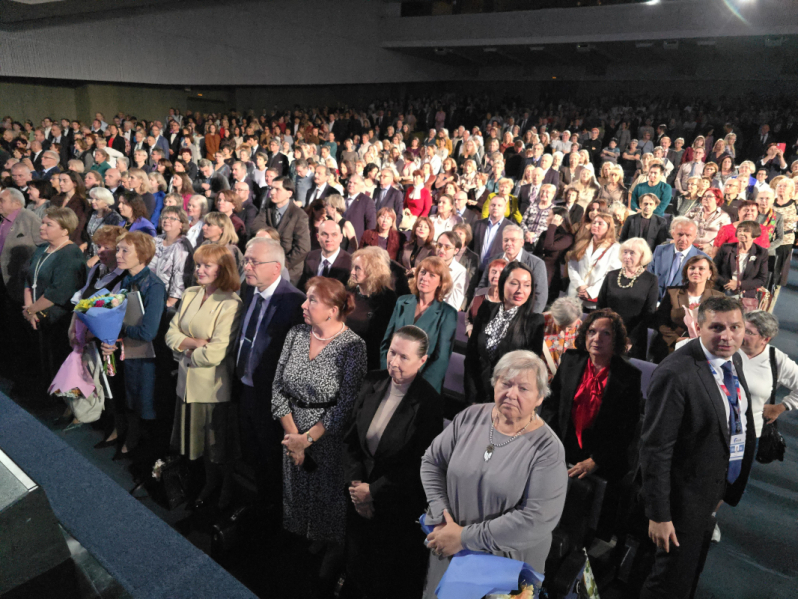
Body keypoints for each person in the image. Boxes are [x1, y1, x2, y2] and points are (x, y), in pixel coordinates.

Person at [421, 350, 568, 596]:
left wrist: (465, 537)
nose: (511, 393)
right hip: (449, 547)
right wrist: (440, 512)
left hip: (502, 569)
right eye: (505, 383)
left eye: (523, 388)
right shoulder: (471, 416)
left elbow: (536, 519)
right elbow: (432, 462)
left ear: (540, 397)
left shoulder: (548, 450)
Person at [639, 297, 756, 599]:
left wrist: (723, 490)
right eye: (716, 327)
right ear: (698, 327)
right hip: (680, 502)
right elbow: (656, 449)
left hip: (710, 491)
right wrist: (660, 515)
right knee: (667, 582)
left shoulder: (733, 358)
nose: (727, 336)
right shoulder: (676, 374)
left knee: (690, 572)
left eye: (735, 327)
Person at [271, 277, 367, 597]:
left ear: (332, 311)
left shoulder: (353, 347)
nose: (303, 304)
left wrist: (306, 441)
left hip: (326, 439)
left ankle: (325, 550)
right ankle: (302, 544)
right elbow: (278, 389)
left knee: (326, 501)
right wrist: (292, 436)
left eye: (312, 300)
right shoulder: (296, 335)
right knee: (297, 495)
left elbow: (345, 407)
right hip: (291, 431)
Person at [343, 326, 443, 599]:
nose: (394, 362)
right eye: (392, 352)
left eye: (404, 357)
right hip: (357, 496)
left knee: (381, 579)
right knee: (354, 566)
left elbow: (418, 466)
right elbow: (351, 440)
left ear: (422, 361)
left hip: (394, 507)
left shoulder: (428, 404)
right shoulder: (371, 382)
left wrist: (372, 492)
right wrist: (357, 486)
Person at [541, 309, 641, 517]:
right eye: (592, 332)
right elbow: (552, 406)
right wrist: (550, 444)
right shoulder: (570, 359)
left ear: (616, 340)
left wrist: (596, 460)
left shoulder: (628, 376)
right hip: (562, 444)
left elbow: (625, 430)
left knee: (579, 506)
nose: (597, 338)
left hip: (601, 455)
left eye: (606, 333)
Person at [165, 243, 243, 511]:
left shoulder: (231, 303)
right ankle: (205, 483)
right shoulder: (189, 293)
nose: (199, 269)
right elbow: (170, 334)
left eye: (206, 265)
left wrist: (186, 352)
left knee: (215, 447)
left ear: (223, 269)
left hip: (212, 388)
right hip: (186, 383)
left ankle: (223, 490)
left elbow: (216, 353)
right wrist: (195, 342)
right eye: (198, 264)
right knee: (194, 444)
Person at [236, 237, 305, 528]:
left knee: (271, 459)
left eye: (254, 261)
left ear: (276, 268)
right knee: (251, 453)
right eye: (246, 260)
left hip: (273, 399)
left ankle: (275, 517)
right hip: (245, 388)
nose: (246, 266)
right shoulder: (250, 289)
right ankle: (260, 504)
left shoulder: (294, 301)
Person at [100, 232, 165, 468]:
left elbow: (148, 333)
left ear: (143, 254)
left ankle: (139, 447)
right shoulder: (126, 279)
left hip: (144, 355)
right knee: (125, 398)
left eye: (124, 250)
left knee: (141, 402)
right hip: (127, 350)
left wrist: (118, 328)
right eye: (118, 249)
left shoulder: (154, 286)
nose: (118, 255)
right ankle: (127, 436)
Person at [465, 261, 545, 403]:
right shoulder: (486, 309)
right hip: (476, 396)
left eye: (527, 285)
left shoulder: (534, 323)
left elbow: (527, 373)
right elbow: (471, 357)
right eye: (514, 283)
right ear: (502, 284)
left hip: (507, 400)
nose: (520, 290)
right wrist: (472, 397)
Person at [23, 206, 87, 383]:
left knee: (56, 361)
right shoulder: (42, 249)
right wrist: (29, 308)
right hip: (37, 316)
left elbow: (58, 292)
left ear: (65, 230)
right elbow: (29, 277)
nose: (42, 227)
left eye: (48, 224)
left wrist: (31, 310)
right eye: (43, 223)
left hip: (58, 319)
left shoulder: (70, 255)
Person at [380, 256, 457, 393]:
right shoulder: (402, 302)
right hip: (391, 378)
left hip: (421, 387)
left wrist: (416, 389)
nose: (425, 278)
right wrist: (388, 374)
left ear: (441, 282)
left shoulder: (448, 314)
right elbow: (386, 343)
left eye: (432, 275)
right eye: (422, 272)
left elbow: (441, 359)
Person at [650, 255, 724, 363]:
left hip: (705, 350)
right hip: (672, 349)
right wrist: (676, 339)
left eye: (701, 268)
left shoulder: (718, 297)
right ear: (686, 272)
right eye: (692, 268)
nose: (696, 271)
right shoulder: (672, 293)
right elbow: (660, 322)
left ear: (710, 273)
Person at [596, 237, 658, 359]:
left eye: (632, 253)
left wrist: (630, 339)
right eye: (625, 252)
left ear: (642, 256)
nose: (627, 256)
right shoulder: (612, 275)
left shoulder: (650, 280)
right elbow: (600, 306)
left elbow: (649, 313)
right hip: (608, 333)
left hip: (634, 339)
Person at [741, 311, 798, 439]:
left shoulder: (776, 360)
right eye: (740, 328)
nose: (741, 335)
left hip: (746, 434)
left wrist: (782, 407)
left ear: (765, 339)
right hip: (709, 426)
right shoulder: (728, 347)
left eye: (749, 332)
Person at [345, 246, 398, 371]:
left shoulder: (388, 299)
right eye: (353, 267)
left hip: (369, 361)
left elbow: (383, 339)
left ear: (372, 271)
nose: (352, 272)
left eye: (357, 268)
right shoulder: (347, 292)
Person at [476, 224, 548, 313]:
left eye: (513, 240)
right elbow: (482, 287)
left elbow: (540, 296)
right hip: (490, 313)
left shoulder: (536, 264)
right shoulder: (493, 260)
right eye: (506, 240)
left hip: (520, 316)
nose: (509, 243)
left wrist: (529, 320)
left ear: (522, 242)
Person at [252, 176, 310, 285]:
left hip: (289, 270)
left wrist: (281, 265)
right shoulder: (268, 207)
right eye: (271, 188)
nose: (272, 192)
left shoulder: (299, 215)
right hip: (266, 265)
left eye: (277, 189)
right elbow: (255, 226)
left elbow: (303, 248)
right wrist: (270, 235)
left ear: (289, 193)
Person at [567, 211, 621, 309]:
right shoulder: (583, 243)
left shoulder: (615, 248)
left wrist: (590, 291)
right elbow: (572, 265)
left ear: (609, 228)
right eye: (594, 222)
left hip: (594, 299)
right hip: (575, 293)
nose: (595, 225)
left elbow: (611, 275)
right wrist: (580, 285)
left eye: (600, 223)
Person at [0, 188, 42, 306]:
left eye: (2, 200)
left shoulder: (29, 219)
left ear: (16, 203)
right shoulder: (2, 219)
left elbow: (44, 246)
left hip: (20, 283)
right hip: (4, 281)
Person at [713, 220, 768, 302]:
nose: (741, 233)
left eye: (746, 231)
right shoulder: (726, 248)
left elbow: (761, 279)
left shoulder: (761, 252)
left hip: (745, 293)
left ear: (754, 235)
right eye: (739, 231)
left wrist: (739, 285)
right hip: (722, 289)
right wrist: (728, 283)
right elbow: (712, 270)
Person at [149, 206, 193, 308]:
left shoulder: (182, 246)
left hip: (165, 299)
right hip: (149, 293)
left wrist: (169, 302)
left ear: (182, 224)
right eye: (164, 217)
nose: (166, 220)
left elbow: (179, 277)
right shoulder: (156, 240)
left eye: (172, 218)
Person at [532, 206, 575, 304]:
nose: (546, 219)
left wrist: (553, 226)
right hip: (536, 271)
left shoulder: (567, 237)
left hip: (550, 277)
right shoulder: (545, 233)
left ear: (558, 219)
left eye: (549, 216)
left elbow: (549, 246)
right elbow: (536, 253)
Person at [298, 219, 352, 290]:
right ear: (317, 237)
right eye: (324, 234)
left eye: (334, 235)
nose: (329, 239)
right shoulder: (310, 257)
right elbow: (302, 287)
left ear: (341, 238)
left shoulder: (350, 263)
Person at [540, 296, 583, 377]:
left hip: (566, 377)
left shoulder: (581, 327)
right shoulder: (541, 321)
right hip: (542, 375)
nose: (564, 330)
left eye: (569, 327)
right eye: (560, 326)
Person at [465, 258, 506, 337]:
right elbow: (468, 317)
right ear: (488, 274)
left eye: (501, 273)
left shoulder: (508, 300)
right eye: (493, 272)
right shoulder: (480, 293)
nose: (496, 275)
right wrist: (470, 332)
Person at [201, 211, 245, 279]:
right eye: (204, 224)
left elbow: (228, 278)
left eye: (209, 225)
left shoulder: (229, 250)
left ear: (222, 229)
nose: (203, 227)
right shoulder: (204, 245)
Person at [687, 188, 732, 254]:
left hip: (711, 249)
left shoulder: (724, 216)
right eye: (704, 196)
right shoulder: (694, 211)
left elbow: (725, 236)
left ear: (717, 199)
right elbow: (682, 224)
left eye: (709, 196)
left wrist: (710, 244)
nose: (705, 198)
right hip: (690, 245)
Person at [86, 187, 124, 261]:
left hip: (104, 256)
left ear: (106, 201)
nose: (93, 201)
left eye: (97, 199)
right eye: (92, 198)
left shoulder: (115, 218)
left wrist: (97, 257)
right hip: (90, 253)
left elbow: (113, 242)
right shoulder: (93, 214)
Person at [434, 231, 467, 310]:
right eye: (439, 245)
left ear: (456, 250)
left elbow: (454, 304)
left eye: (447, 247)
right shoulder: (428, 264)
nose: (441, 250)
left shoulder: (461, 272)